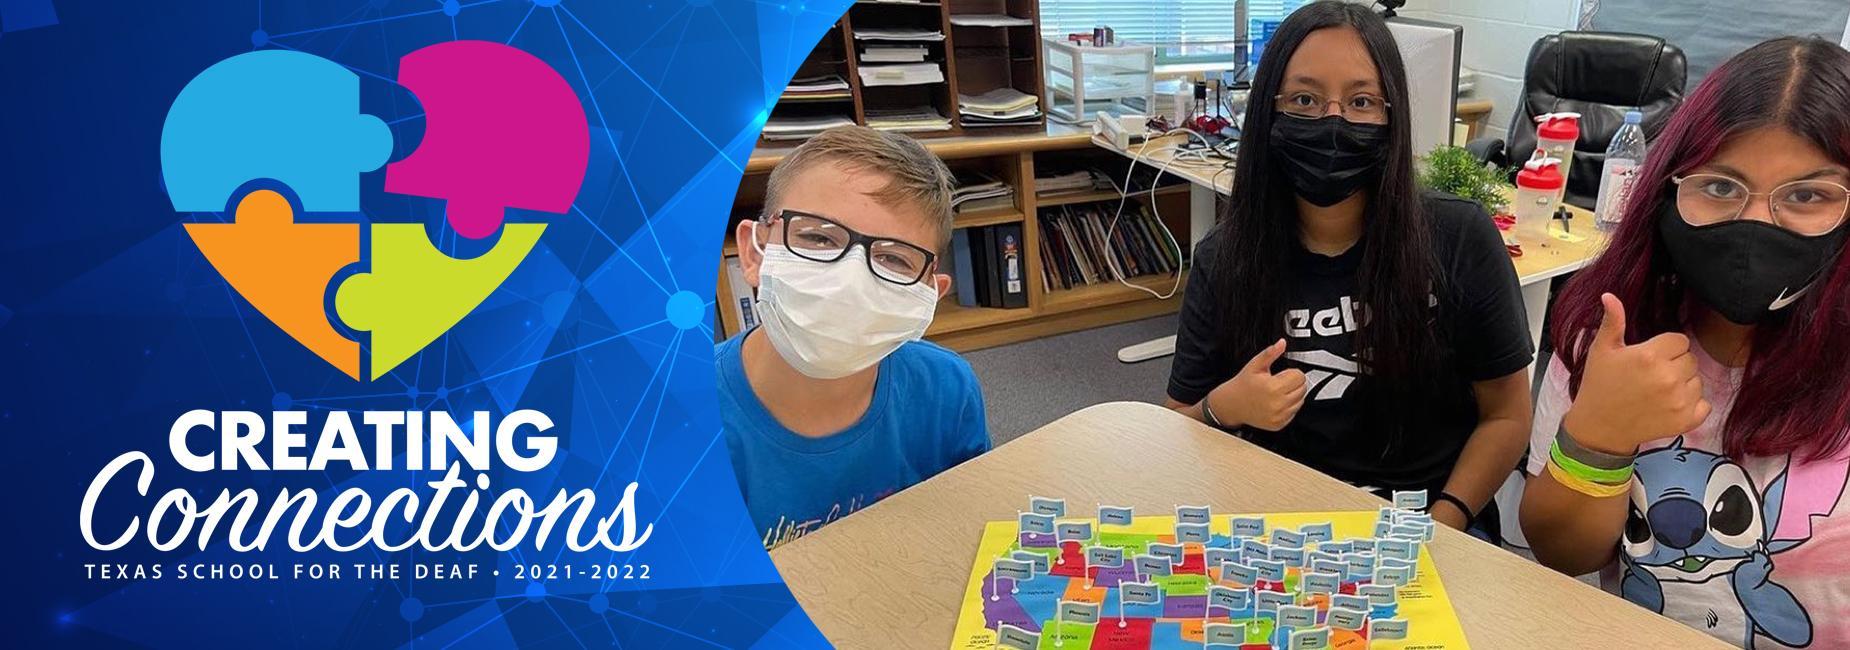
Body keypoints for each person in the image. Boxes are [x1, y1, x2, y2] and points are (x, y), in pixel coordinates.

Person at [1520, 37, 1850, 648]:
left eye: (1808, 196)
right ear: (1667, 192)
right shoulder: (1615, 334)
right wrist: (1598, 437)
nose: (1755, 224)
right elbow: (1562, 553)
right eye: (1720, 187)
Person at [1164, 1, 1534, 532]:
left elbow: (1507, 416)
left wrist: (1442, 524)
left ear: (1391, 116)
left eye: (1361, 101)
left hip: (1430, 520)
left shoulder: (1458, 237)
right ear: (1269, 111)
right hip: (1283, 523)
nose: (1332, 121)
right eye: (1305, 99)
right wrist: (1223, 406)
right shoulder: (1225, 258)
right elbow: (1175, 425)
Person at [718, 126, 989, 550]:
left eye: (894, 258)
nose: (850, 281)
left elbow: (969, 533)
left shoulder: (947, 391)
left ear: (929, 297)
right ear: (754, 253)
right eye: (818, 237)